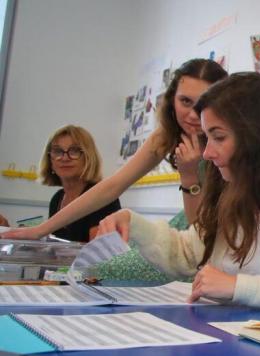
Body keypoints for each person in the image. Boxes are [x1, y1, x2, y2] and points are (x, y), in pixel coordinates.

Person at [97, 72, 260, 319]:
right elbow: (188, 252)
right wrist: (133, 224)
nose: (207, 153)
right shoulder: (235, 195)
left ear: (257, 137)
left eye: (218, 137)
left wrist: (237, 286)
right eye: (205, 137)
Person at [1, 58, 228, 241]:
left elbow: (204, 233)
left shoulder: (230, 138)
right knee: (114, 267)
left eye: (202, 104)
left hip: (223, 231)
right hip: (193, 227)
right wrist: (41, 229)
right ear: (172, 100)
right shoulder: (168, 134)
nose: (192, 115)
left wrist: (189, 177)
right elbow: (112, 186)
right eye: (185, 101)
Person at [38, 125, 121, 242]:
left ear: (88, 157)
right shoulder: (57, 198)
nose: (65, 158)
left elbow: (97, 252)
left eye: (74, 151)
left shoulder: (102, 197)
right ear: (50, 160)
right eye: (57, 151)